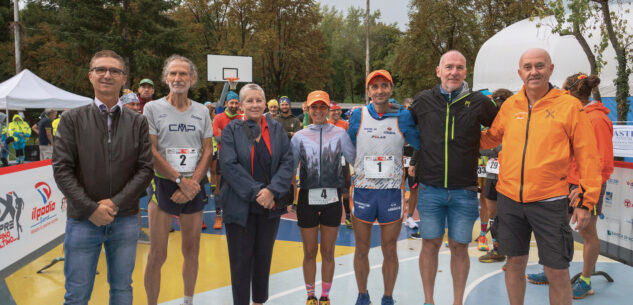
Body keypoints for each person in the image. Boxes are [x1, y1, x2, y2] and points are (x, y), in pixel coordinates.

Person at [480, 48, 602, 305]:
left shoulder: (569, 106)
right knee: (514, 264)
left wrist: (586, 201)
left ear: (550, 68)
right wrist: (455, 133)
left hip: (549, 201)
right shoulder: (511, 105)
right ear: (520, 72)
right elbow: (490, 137)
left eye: (539, 66)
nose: (533, 71)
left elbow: (588, 156)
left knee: (557, 271)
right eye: (528, 67)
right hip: (510, 200)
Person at [52, 49, 153, 305]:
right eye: (100, 69)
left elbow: (145, 169)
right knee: (77, 294)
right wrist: (90, 208)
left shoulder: (138, 122)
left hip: (125, 218)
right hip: (82, 220)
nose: (107, 75)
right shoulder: (71, 120)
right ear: (91, 76)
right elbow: (62, 169)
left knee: (122, 290)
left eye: (114, 71)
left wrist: (114, 203)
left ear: (123, 79)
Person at [408, 50, 498, 305]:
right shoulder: (424, 100)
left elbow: (501, 128)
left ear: (465, 72)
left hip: (464, 190)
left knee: (459, 247)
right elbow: (407, 128)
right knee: (430, 244)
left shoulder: (479, 101)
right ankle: (429, 300)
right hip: (430, 189)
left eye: (459, 68)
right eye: (449, 67)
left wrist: (479, 143)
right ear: (439, 71)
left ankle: (458, 301)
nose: (454, 72)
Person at [525, 73, 614, 299]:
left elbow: (602, 163)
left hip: (585, 185)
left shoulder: (597, 120)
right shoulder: (573, 113)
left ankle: (585, 280)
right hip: (565, 182)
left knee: (587, 232)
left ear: (571, 92)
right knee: (556, 229)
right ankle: (553, 270)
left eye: (563, 90)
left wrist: (584, 190)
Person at [142, 55, 212, 305]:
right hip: (164, 184)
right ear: (165, 78)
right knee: (157, 254)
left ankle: (188, 301)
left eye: (183, 74)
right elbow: (151, 150)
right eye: (173, 74)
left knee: (191, 251)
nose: (178, 78)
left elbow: (207, 150)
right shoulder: (152, 109)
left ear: (192, 79)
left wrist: (192, 183)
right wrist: (180, 180)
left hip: (194, 183)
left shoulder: (202, 111)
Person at [347, 69, 420, 305]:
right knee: (361, 248)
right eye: (375, 86)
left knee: (390, 249)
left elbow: (421, 143)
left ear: (391, 89)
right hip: (363, 191)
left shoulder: (403, 116)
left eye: (384, 86)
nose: (380, 90)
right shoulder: (357, 116)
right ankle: (362, 295)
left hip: (391, 194)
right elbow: (348, 147)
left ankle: (388, 297)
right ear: (368, 91)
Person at [219, 83, 294, 305]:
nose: (254, 104)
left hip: (269, 206)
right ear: (241, 105)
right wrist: (257, 192)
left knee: (263, 258)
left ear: (265, 102)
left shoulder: (277, 129)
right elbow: (229, 165)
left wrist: (272, 191)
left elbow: (288, 161)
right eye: (249, 101)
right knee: (240, 262)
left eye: (258, 100)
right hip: (239, 205)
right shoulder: (231, 130)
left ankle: (259, 301)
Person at [291, 90, 355, 305]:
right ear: (307, 109)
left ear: (328, 109)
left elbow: (354, 158)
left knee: (328, 251)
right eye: (314, 107)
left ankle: (325, 296)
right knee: (310, 251)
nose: (318, 111)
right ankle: (310, 295)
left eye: (322, 107)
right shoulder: (299, 136)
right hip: (307, 198)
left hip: (333, 199)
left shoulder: (340, 133)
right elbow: (289, 169)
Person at [478, 88, 513, 265]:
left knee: (509, 213)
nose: (495, 107)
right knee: (493, 212)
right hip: (493, 173)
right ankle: (497, 247)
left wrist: (491, 149)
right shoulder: (491, 122)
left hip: (509, 175)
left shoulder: (513, 120)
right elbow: (486, 146)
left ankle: (512, 252)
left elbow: (502, 146)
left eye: (497, 103)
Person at [212, 90, 243, 229]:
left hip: (239, 158)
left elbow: (247, 137)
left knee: (237, 186)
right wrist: (235, 136)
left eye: (236, 102)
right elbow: (216, 136)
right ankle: (218, 216)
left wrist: (225, 134)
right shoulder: (218, 117)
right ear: (226, 103)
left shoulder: (242, 118)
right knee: (218, 188)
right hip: (222, 156)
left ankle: (235, 215)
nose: (234, 105)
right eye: (232, 102)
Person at [327, 102, 352, 227]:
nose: (336, 112)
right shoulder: (324, 125)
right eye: (333, 110)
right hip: (328, 162)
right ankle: (329, 217)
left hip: (343, 163)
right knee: (330, 190)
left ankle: (348, 216)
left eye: (338, 110)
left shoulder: (346, 125)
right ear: (328, 112)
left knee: (346, 190)